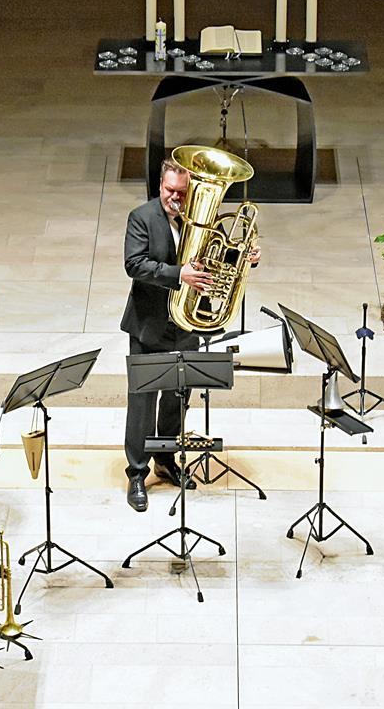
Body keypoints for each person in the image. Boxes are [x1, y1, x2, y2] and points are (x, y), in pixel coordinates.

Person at [120, 158, 260, 511]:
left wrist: (247, 256)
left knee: (177, 398)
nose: (176, 198)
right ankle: (137, 473)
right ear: (160, 186)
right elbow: (134, 265)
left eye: (182, 193)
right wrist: (178, 274)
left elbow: (222, 260)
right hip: (149, 324)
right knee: (142, 402)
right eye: (170, 190)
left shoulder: (202, 219)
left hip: (186, 324)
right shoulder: (142, 218)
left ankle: (165, 460)